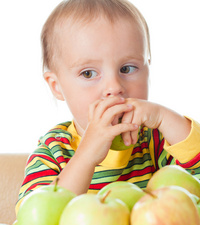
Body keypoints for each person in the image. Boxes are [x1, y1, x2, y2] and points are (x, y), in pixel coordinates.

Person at [16, 0, 200, 213]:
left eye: (127, 68)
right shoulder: (53, 151)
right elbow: (35, 219)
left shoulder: (155, 140)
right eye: (88, 73)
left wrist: (163, 117)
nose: (114, 87)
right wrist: (87, 155)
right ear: (57, 87)